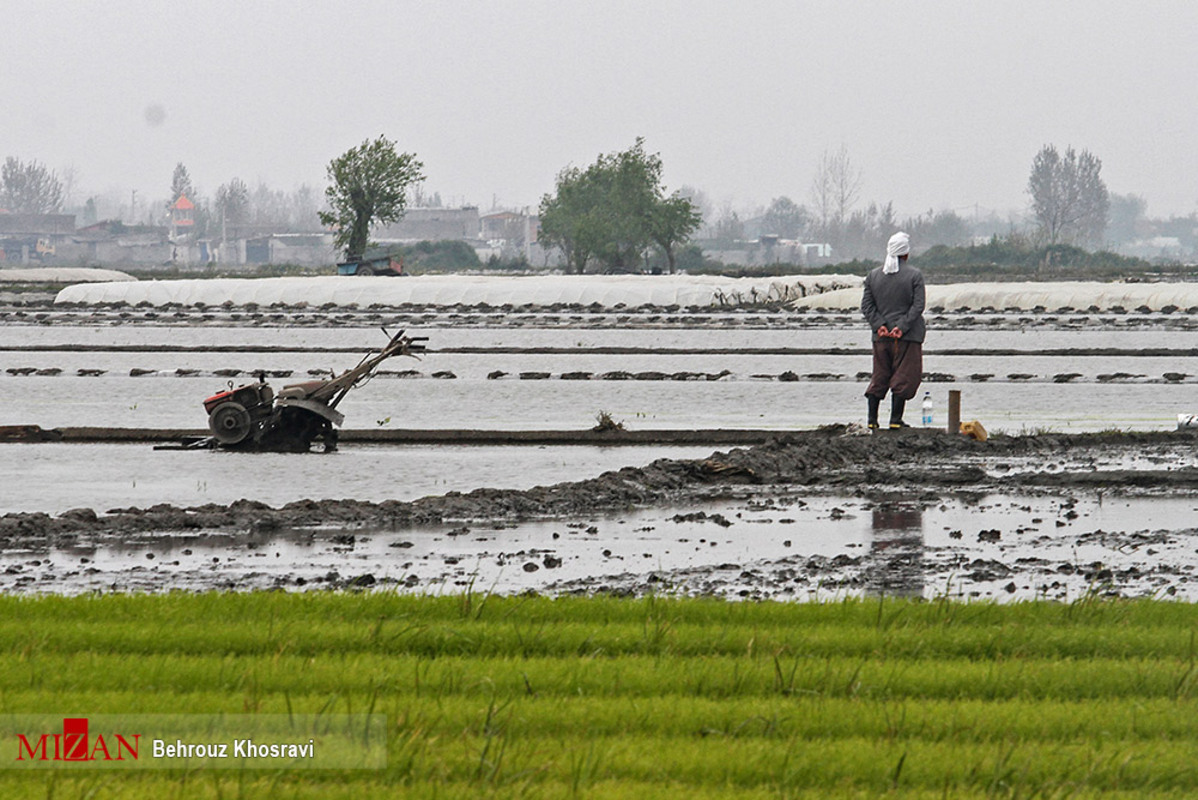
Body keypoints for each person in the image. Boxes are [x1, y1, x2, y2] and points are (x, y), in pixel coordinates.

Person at [861, 231, 926, 429]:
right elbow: (918, 306)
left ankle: (872, 420)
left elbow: (867, 306)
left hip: (880, 338)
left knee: (880, 375)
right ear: (906, 253)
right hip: (907, 337)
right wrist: (901, 327)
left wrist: (880, 326)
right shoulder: (915, 275)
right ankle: (895, 420)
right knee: (904, 376)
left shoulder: (873, 276)